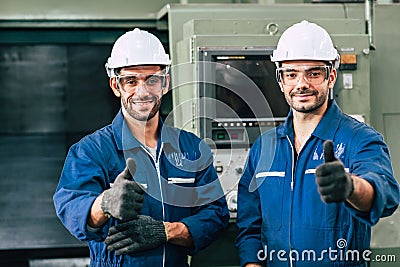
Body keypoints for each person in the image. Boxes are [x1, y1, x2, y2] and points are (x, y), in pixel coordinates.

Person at [53, 28, 229, 267]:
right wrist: (104, 204)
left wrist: (166, 231)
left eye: (152, 80)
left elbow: (216, 214)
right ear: (116, 85)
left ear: (165, 83)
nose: (142, 91)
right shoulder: (91, 151)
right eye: (131, 81)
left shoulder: (191, 148)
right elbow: (71, 208)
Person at [235, 20, 399, 267]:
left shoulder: (360, 139)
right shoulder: (264, 147)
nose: (302, 84)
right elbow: (250, 226)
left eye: (313, 73)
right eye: (291, 74)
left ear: (331, 76)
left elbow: (384, 193)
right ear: (281, 81)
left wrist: (351, 187)